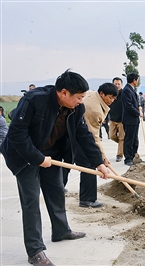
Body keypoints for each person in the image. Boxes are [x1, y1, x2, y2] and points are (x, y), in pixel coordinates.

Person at [0, 70, 109, 265]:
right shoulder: (34, 100)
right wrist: (38, 158)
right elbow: (16, 134)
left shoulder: (76, 109)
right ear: (64, 93)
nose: (80, 101)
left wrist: (99, 162)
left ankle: (61, 230)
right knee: (31, 201)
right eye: (79, 97)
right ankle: (35, 251)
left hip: (52, 155)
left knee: (57, 191)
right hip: (25, 155)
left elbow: (84, 135)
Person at [73, 83, 118, 208]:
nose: (111, 101)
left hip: (78, 133)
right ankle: (87, 199)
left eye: (114, 98)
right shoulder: (95, 110)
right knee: (89, 165)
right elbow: (93, 137)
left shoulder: (94, 94)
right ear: (102, 94)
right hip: (78, 137)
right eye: (110, 97)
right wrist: (101, 158)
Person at [122, 73, 142, 166]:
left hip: (134, 119)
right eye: (137, 80)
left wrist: (139, 107)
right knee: (129, 139)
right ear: (134, 80)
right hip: (129, 119)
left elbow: (135, 103)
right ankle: (128, 158)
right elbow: (128, 106)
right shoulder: (126, 90)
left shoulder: (132, 90)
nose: (137, 81)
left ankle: (135, 156)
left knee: (135, 139)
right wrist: (138, 113)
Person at [109, 77, 125, 162]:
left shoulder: (124, 94)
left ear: (121, 85)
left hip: (122, 120)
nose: (117, 85)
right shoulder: (111, 94)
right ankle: (122, 145)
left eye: (119, 84)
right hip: (112, 119)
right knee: (112, 136)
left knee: (122, 138)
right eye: (116, 84)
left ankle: (119, 155)